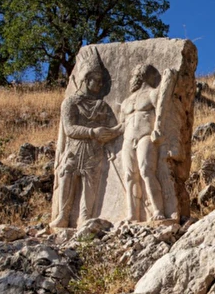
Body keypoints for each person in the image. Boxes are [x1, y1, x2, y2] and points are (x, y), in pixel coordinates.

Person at [50, 49, 121, 228]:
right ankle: (63, 216)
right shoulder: (70, 103)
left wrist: (113, 133)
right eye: (95, 80)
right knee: (67, 175)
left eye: (101, 81)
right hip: (74, 149)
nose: (98, 84)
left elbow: (114, 126)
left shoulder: (102, 105)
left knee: (91, 184)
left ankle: (85, 218)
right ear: (85, 80)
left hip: (94, 151)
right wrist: (92, 132)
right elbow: (69, 129)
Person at [119, 64, 180, 222]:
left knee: (146, 171)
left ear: (142, 76)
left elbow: (163, 112)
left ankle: (158, 209)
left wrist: (159, 130)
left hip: (145, 136)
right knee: (129, 176)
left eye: (134, 76)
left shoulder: (153, 94)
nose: (131, 79)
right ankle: (132, 214)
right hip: (128, 139)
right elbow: (121, 125)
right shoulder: (126, 102)